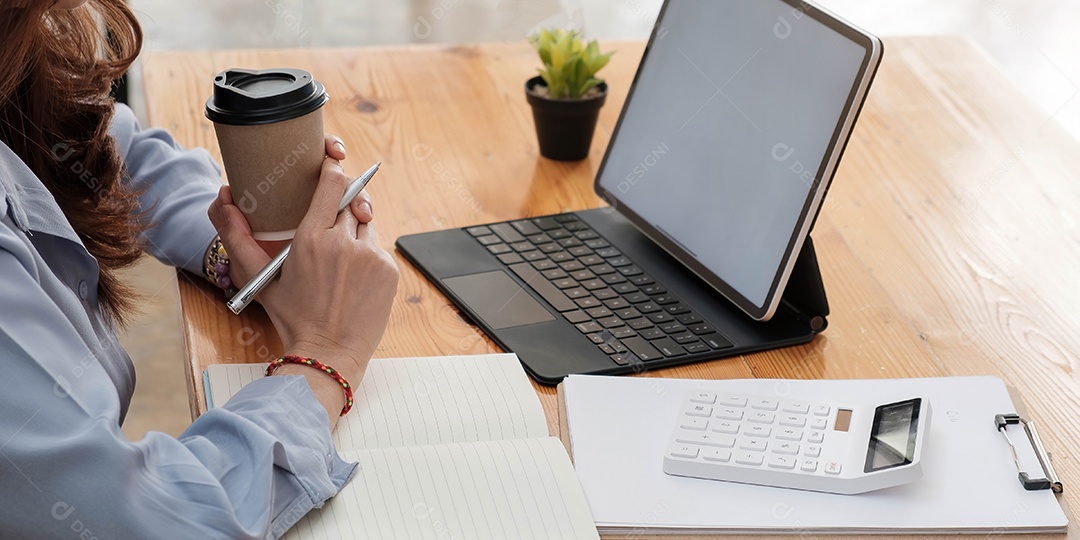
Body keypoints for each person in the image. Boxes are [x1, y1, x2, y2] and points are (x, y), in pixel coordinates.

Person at [0, 0, 399, 537]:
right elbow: (158, 522)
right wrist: (326, 356)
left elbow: (108, 151)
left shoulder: (17, 44)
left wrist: (241, 252)